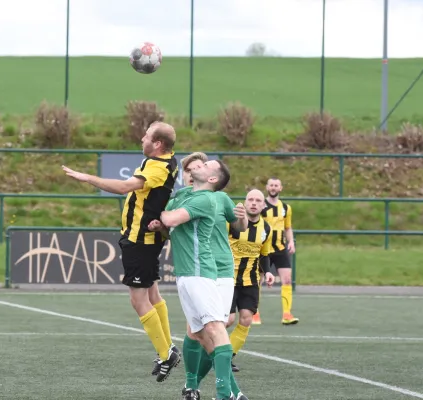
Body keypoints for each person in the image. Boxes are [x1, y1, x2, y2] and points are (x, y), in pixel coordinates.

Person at [61, 121, 180, 382]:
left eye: (147, 135)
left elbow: (125, 187)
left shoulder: (158, 166)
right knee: (152, 292)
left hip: (140, 239)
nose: (142, 138)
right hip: (146, 237)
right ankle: (167, 348)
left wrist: (87, 178)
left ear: (158, 144)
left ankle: (165, 353)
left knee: (138, 300)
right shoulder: (169, 160)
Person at [149, 159, 241, 400]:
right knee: (199, 333)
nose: (198, 165)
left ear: (212, 179)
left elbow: (170, 219)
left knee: (216, 327)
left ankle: (224, 394)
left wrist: (155, 208)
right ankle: (224, 391)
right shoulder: (186, 196)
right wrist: (160, 223)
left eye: (206, 164)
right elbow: (168, 226)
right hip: (186, 273)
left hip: (201, 272)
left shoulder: (206, 198)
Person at [225, 189, 275, 373]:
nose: (254, 203)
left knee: (246, 319)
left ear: (263, 205)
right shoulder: (231, 223)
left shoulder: (266, 229)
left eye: (258, 200)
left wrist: (268, 272)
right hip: (227, 279)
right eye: (250, 199)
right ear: (245, 203)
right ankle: (210, 350)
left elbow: (264, 254)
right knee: (228, 320)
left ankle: (227, 357)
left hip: (251, 281)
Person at [258, 177, 298, 325]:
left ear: (280, 188)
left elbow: (288, 227)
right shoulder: (261, 206)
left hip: (280, 249)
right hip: (264, 249)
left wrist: (291, 242)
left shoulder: (286, 208)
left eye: (276, 185)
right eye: (271, 185)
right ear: (267, 187)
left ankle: (287, 314)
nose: (273, 188)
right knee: (258, 280)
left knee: (287, 280)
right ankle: (254, 313)